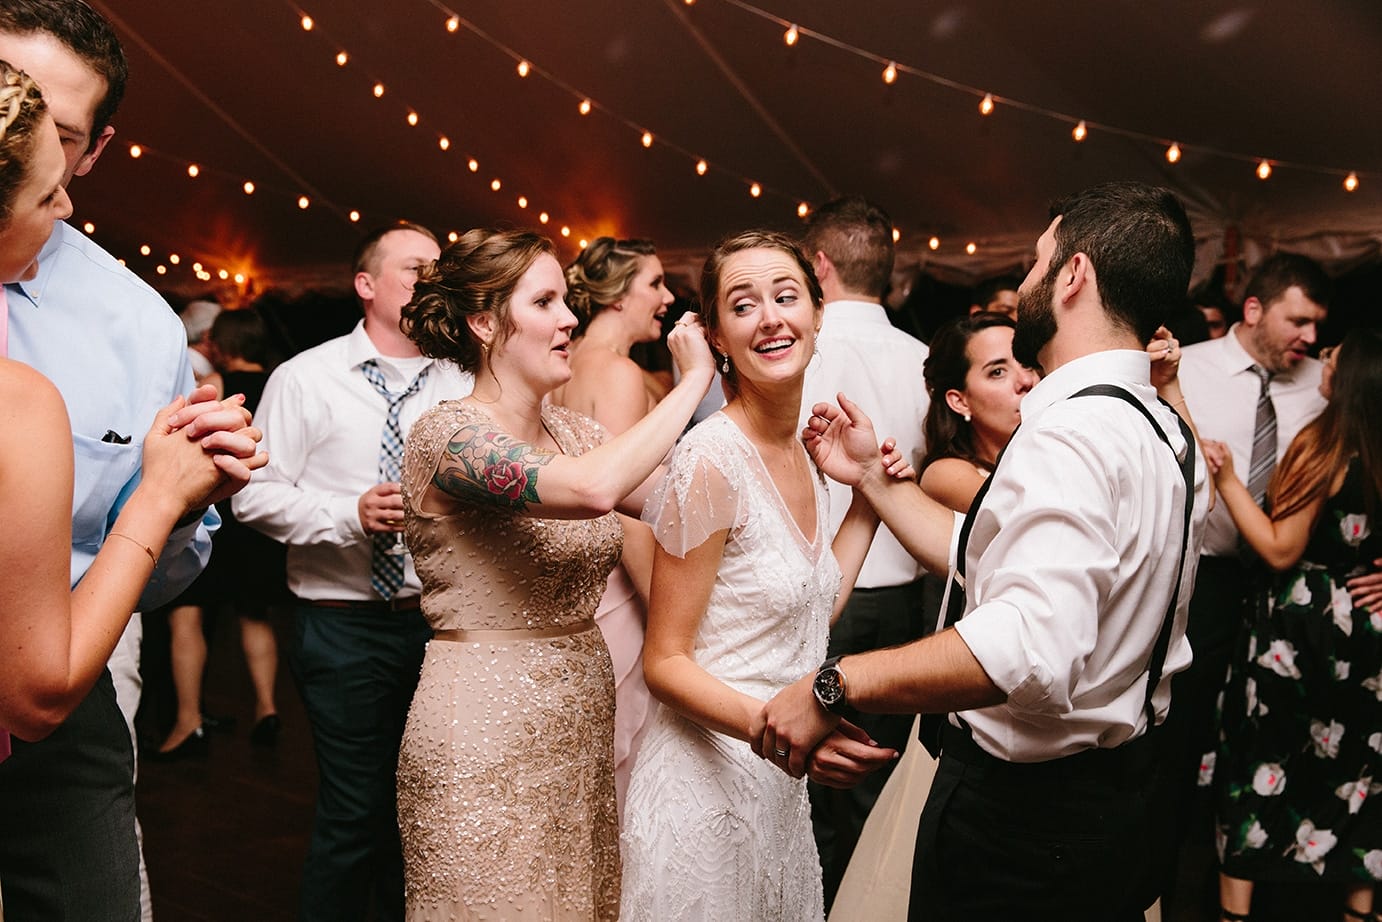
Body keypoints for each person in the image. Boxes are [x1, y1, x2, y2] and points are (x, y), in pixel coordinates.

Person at [756, 181, 1210, 921]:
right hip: (1121, 797)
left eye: (1036, 264)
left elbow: (1022, 647)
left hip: (1026, 826)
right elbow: (989, 555)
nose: (1024, 283)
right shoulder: (1162, 427)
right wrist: (873, 477)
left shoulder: (1075, 433)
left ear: (1074, 276)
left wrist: (831, 684)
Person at [0, 5, 262, 917]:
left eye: (57, 132)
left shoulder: (137, 322)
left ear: (92, 150)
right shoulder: (22, 402)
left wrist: (185, 501)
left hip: (71, 705)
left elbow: (161, 571)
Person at [392, 228, 714, 919]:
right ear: (484, 323)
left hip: (578, 728)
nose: (570, 319)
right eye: (545, 302)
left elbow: (690, 509)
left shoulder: (580, 434)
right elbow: (594, 491)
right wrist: (693, 381)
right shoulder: (449, 438)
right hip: (480, 732)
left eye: (566, 300)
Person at [619, 230, 899, 922]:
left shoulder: (807, 451)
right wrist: (783, 731)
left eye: (786, 296)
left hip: (774, 792)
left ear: (817, 313)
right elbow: (665, 661)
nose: (771, 317)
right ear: (716, 336)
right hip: (702, 801)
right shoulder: (712, 460)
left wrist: (866, 491)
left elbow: (808, 612)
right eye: (744, 306)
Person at [232, 221, 472, 922]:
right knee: (353, 811)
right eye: (414, 269)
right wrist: (348, 514)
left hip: (441, 627)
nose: (431, 281)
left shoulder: (461, 381)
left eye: (439, 270)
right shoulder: (305, 378)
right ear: (366, 286)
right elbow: (252, 493)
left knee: (425, 812)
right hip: (339, 627)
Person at [1171, 253, 1342, 893]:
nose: (1310, 339)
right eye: (1298, 321)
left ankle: (1259, 875)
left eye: (1317, 325)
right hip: (1206, 579)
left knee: (1266, 739)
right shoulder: (1185, 368)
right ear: (1253, 310)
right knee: (1187, 724)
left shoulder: (1329, 384)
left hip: (1290, 592)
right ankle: (1177, 871)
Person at [1206, 329, 1382, 922]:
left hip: (1300, 635)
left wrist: (1227, 478)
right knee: (1358, 773)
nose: (1323, 359)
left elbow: (1281, 550)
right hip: (1366, 638)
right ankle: (1361, 912)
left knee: (1260, 762)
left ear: (1350, 377)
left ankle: (1236, 913)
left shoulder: (1325, 443)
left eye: (1334, 356)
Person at [797, 195, 932, 906]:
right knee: (880, 784)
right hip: (908, 601)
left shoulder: (801, 354)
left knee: (814, 783)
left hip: (829, 592)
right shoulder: (925, 358)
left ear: (820, 264)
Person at [550, 236, 674, 815]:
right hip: (621, 584)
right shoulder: (620, 374)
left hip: (576, 578)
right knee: (625, 763)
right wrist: (666, 615)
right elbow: (622, 504)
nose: (667, 297)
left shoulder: (562, 365)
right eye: (655, 283)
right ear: (619, 296)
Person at [152, 307, 288, 759]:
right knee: (256, 615)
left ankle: (189, 718)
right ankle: (267, 708)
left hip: (222, 518)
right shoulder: (284, 381)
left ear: (224, 344)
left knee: (185, 615)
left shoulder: (223, 391)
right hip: (261, 526)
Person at [917, 312, 1036, 513]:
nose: (1025, 381)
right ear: (960, 402)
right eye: (997, 372)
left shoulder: (1048, 452)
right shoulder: (944, 475)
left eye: (1026, 363)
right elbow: (1033, 513)